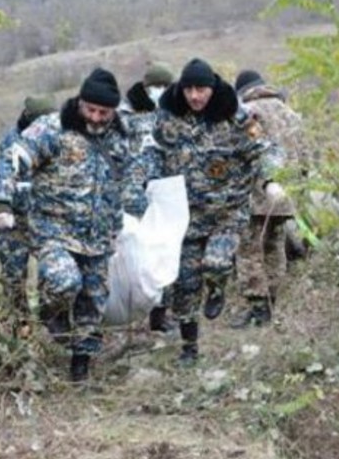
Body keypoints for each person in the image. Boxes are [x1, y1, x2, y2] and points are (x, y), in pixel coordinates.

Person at [0, 68, 131, 382]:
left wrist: (130, 217)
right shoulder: (52, 128)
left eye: (103, 112)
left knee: (93, 303)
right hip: (53, 231)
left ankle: (80, 369)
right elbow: (15, 157)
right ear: (80, 102)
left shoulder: (122, 137)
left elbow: (129, 178)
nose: (95, 117)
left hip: (98, 235)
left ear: (113, 110)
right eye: (90, 109)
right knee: (65, 281)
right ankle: (50, 315)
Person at [150, 58, 282, 365]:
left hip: (227, 211)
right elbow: (152, 150)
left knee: (217, 262)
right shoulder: (169, 117)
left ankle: (217, 286)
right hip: (186, 215)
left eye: (201, 90)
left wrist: (272, 179)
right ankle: (189, 347)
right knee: (184, 283)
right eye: (189, 90)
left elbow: (266, 149)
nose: (195, 97)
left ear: (212, 88)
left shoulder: (234, 117)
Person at [230, 69, 311, 328]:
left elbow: (245, 153)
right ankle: (272, 300)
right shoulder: (291, 114)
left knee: (249, 249)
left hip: (257, 193)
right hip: (287, 194)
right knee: (275, 246)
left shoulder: (248, 113)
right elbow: (307, 157)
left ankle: (258, 308)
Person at [0, 95, 57, 332]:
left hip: (45, 219)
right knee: (14, 277)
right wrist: (1, 207)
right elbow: (3, 175)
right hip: (14, 221)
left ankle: (53, 322)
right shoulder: (12, 141)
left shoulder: (58, 136)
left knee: (54, 272)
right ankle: (20, 328)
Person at [119, 62, 178, 334]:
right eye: (156, 86)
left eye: (165, 87)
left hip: (162, 194)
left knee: (163, 251)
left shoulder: (173, 114)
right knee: (134, 255)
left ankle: (160, 315)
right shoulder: (123, 115)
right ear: (145, 87)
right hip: (129, 196)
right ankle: (127, 309)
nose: (159, 91)